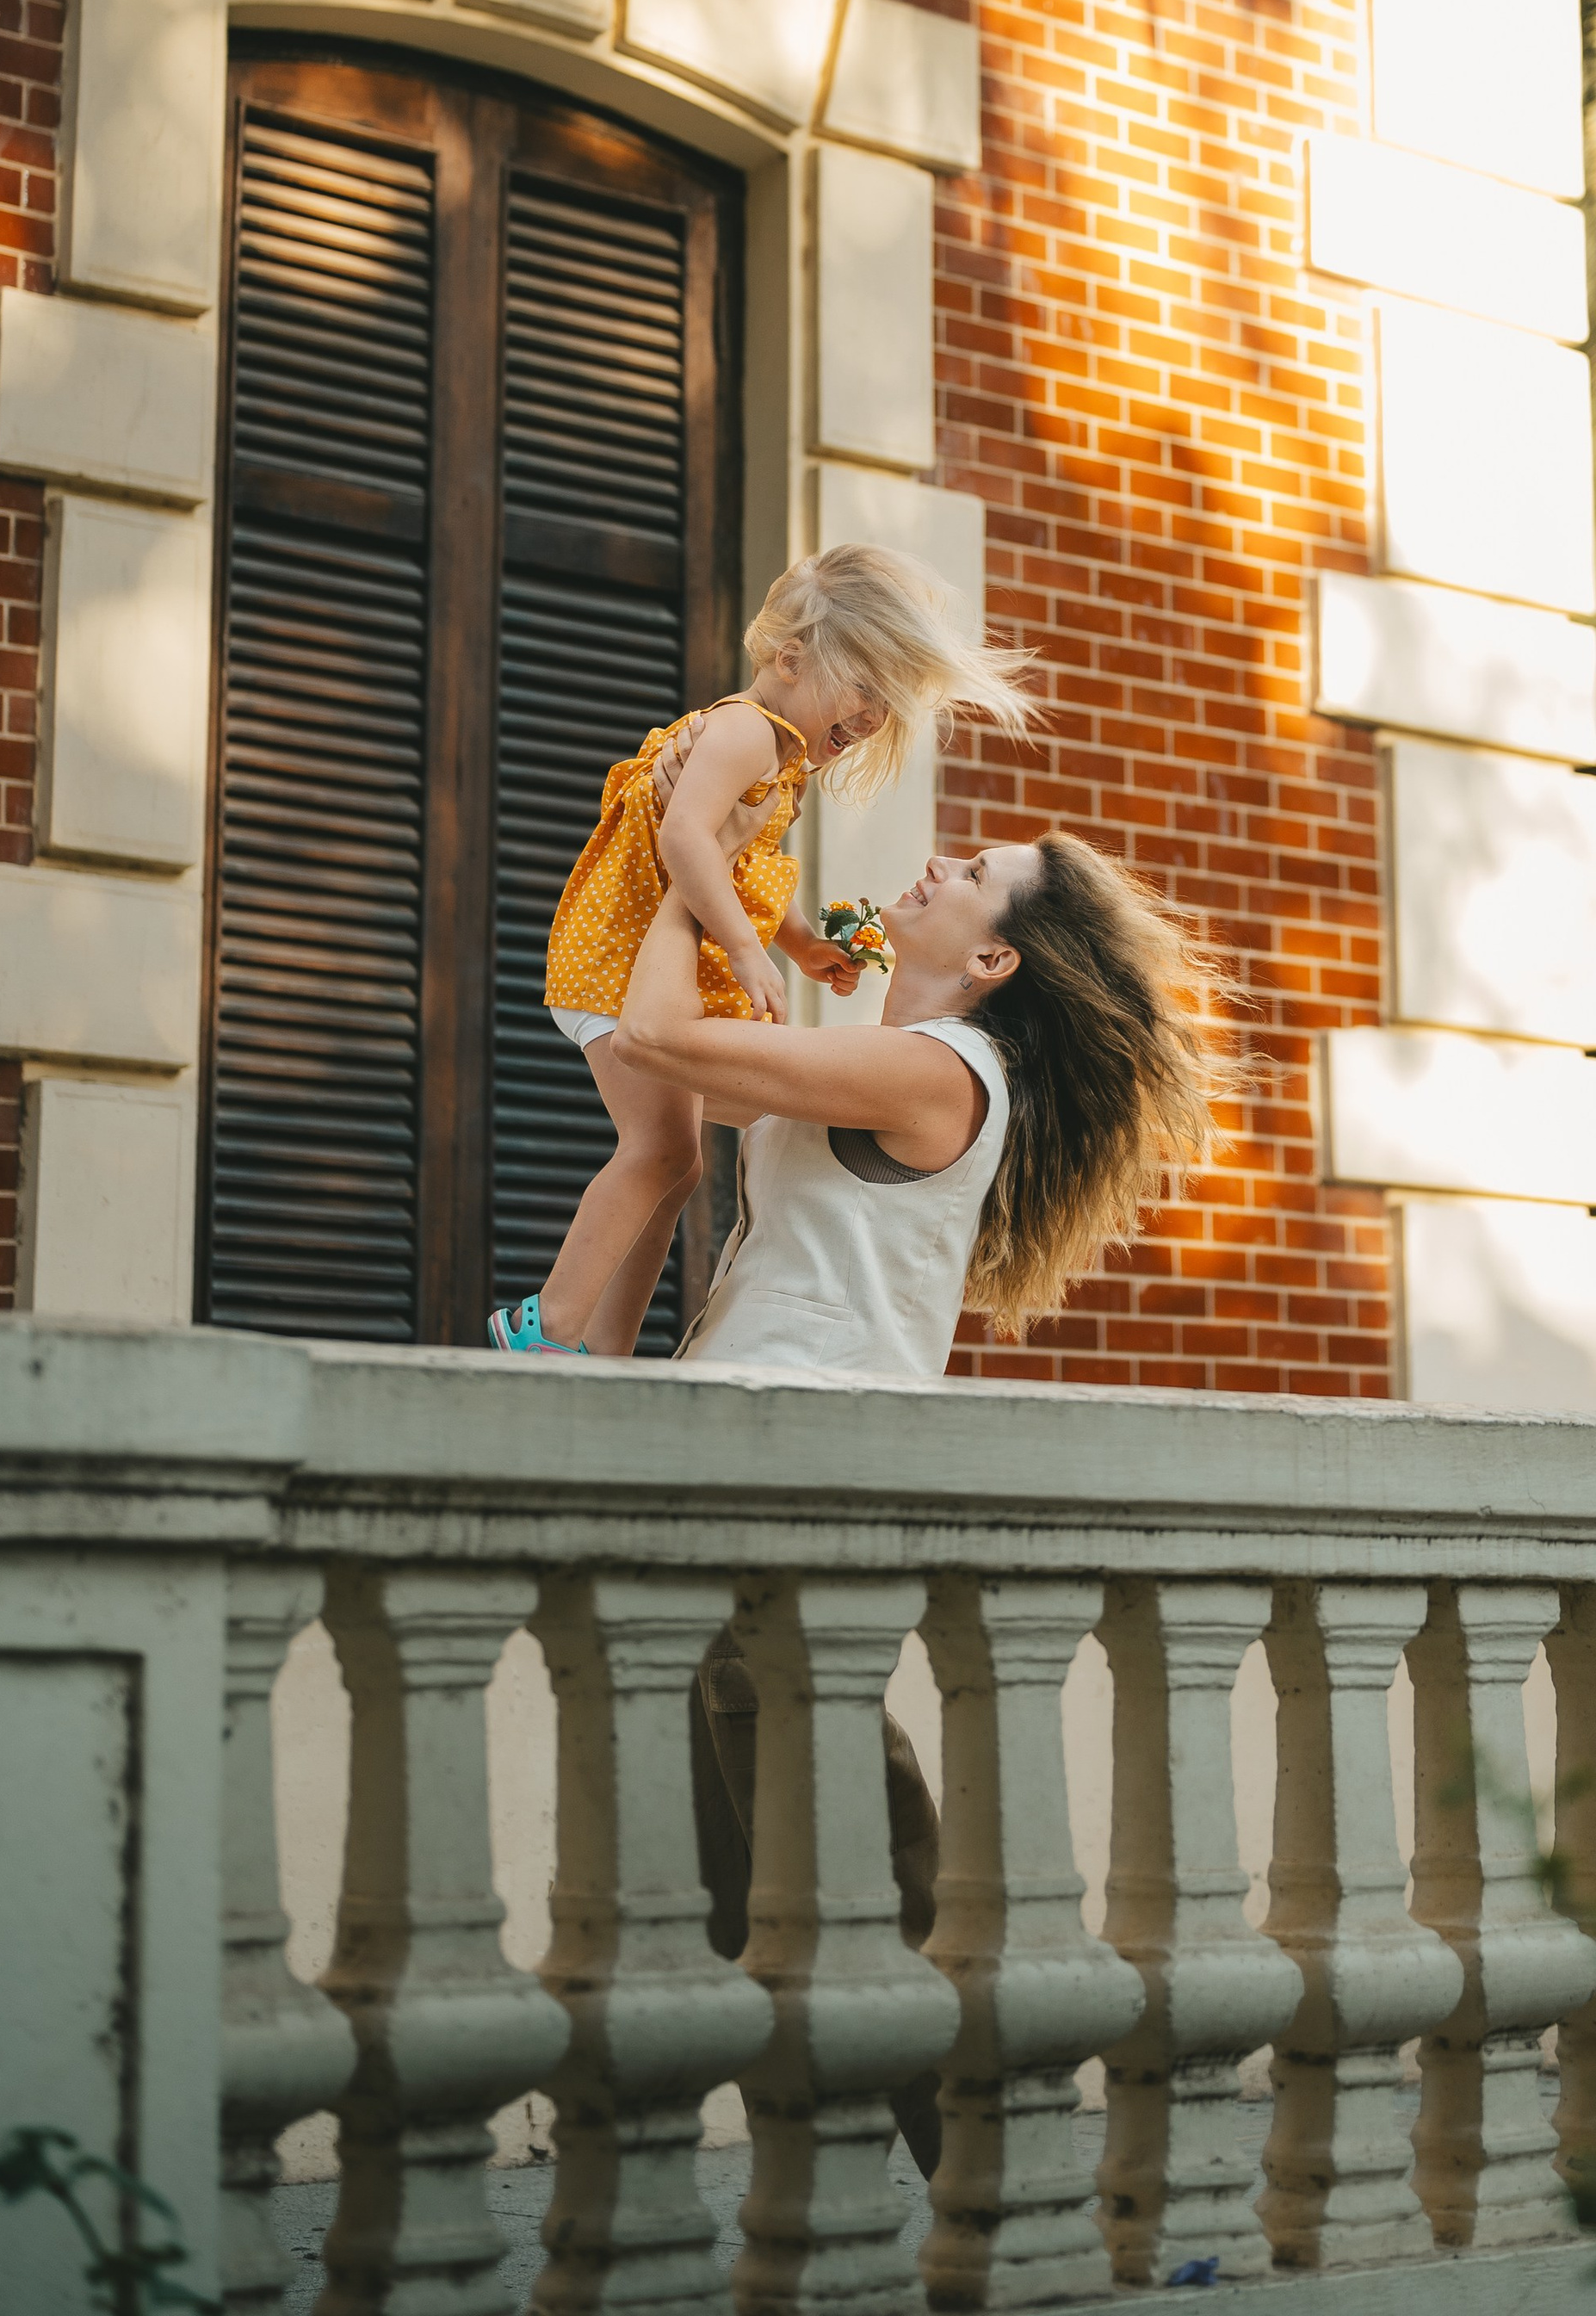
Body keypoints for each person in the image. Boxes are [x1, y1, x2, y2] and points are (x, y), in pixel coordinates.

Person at [609, 822, 1226, 2176]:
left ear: (996, 954)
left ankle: (999, 2178)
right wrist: (744, 916)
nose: (939, 862)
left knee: (844, 1841)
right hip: (744, 1458)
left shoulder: (937, 1069)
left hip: (799, 1468)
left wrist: (687, 853)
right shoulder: (899, 1057)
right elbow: (666, 1073)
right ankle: (935, 2162)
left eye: (973, 873)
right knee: (755, 1865)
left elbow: (655, 1034)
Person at [488, 543, 1030, 1356]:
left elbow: (736, 862)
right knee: (660, 1149)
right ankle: (550, 1327)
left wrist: (805, 945)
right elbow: (687, 839)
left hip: (639, 958)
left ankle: (601, 1349)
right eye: (864, 688)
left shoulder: (780, 760)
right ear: (791, 658)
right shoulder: (746, 732)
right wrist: (746, 951)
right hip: (616, 960)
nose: (874, 718)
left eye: (887, 702)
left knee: (677, 1167)